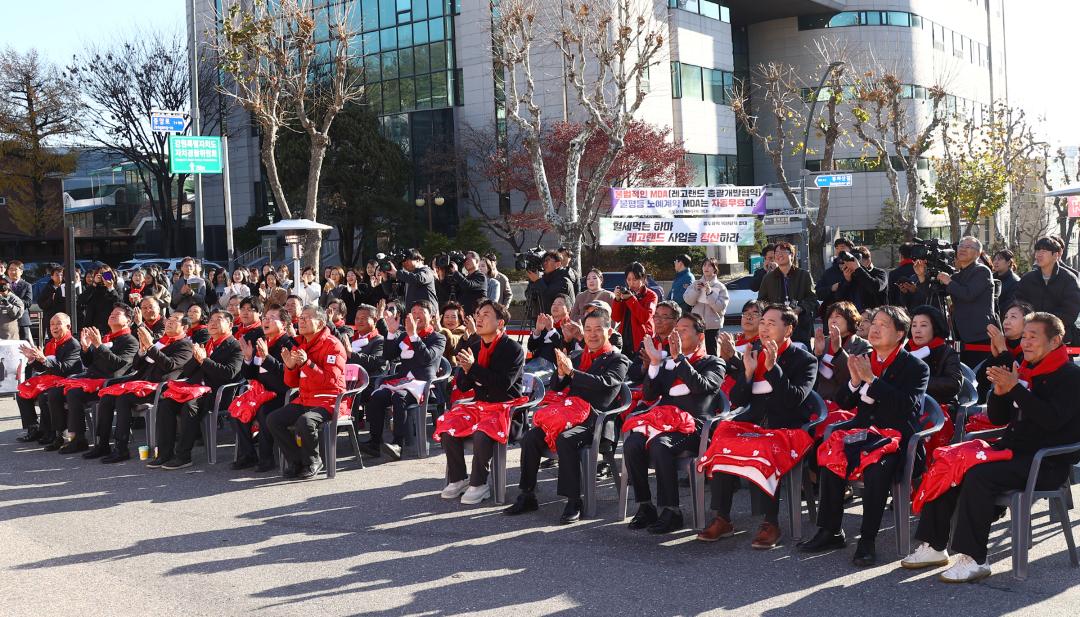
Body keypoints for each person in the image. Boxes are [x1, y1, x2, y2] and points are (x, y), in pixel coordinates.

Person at [903, 312, 1080, 582]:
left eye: (1034, 337)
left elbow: (1052, 420)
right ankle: (934, 546)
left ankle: (974, 558)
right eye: (1025, 337)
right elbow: (999, 418)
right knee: (950, 460)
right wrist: (1000, 392)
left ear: (1056, 341)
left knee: (978, 475)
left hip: (1045, 461)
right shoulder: (1024, 368)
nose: (1027, 343)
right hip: (1012, 451)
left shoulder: (1070, 376)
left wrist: (1015, 388)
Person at [799, 305, 929, 567]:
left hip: (897, 439)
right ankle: (830, 530)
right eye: (874, 323)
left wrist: (873, 380)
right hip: (864, 433)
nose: (875, 329)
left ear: (900, 333)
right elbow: (844, 401)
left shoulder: (915, 366)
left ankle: (867, 540)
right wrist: (856, 381)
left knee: (876, 469)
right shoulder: (865, 356)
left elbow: (906, 407)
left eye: (884, 325)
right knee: (830, 454)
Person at [697, 304, 818, 548]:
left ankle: (770, 522)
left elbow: (794, 399)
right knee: (721, 438)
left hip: (787, 428)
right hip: (755, 423)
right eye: (762, 323)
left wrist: (773, 369)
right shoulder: (755, 353)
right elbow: (739, 399)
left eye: (771, 324)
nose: (764, 328)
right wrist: (749, 372)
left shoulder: (804, 359)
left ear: (789, 329)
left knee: (764, 447)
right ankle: (722, 517)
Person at [505, 309, 630, 522]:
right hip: (567, 415)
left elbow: (605, 384)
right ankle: (527, 494)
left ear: (609, 331)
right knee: (531, 437)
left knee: (566, 439)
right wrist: (562, 373)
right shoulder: (578, 356)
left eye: (598, 329)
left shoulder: (618, 359)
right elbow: (556, 385)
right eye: (588, 329)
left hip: (596, 420)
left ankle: (574, 500)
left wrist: (572, 373)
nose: (592, 334)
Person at [623, 313, 727, 533]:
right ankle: (645, 506)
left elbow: (702, 387)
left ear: (700, 337)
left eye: (684, 329)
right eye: (676, 329)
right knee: (632, 443)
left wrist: (680, 358)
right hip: (665, 423)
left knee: (661, 445)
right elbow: (650, 394)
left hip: (696, 427)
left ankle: (672, 510)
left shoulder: (713, 362)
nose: (677, 333)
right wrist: (654, 363)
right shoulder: (669, 362)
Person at [438, 300, 525, 505]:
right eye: (478, 314)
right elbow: (462, 383)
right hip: (480, 406)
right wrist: (468, 370)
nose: (479, 318)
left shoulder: (513, 349)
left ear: (500, 323)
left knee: (481, 432)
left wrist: (474, 369)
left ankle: (479, 484)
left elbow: (502, 384)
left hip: (506, 410)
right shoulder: (474, 346)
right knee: (448, 425)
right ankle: (459, 478)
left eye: (486, 314)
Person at [85, 312, 194, 462]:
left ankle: (121, 448)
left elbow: (169, 365)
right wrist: (142, 351)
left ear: (185, 327)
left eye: (175, 320)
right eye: (168, 319)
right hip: (140, 382)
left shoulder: (185, 345)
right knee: (107, 395)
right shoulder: (158, 341)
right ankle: (102, 443)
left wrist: (150, 346)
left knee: (123, 399)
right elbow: (136, 365)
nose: (169, 322)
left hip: (158, 387)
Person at [148, 309, 243, 470]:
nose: (212, 323)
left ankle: (183, 456)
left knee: (189, 405)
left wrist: (204, 360)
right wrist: (197, 357)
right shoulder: (207, 343)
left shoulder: (235, 346)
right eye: (211, 320)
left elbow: (229, 373)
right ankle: (165, 453)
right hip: (195, 389)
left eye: (218, 320)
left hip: (217, 393)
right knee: (166, 403)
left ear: (231, 325)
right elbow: (188, 371)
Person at [263, 305, 347, 478]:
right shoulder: (300, 344)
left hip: (329, 400)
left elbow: (330, 381)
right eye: (301, 317)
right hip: (306, 399)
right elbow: (290, 382)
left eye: (307, 317)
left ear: (321, 322)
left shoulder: (333, 345)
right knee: (273, 419)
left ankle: (313, 461)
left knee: (305, 421)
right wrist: (290, 367)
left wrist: (307, 364)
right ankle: (296, 461)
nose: (301, 320)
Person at [44, 303, 139, 453]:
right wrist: (87, 349)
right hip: (91, 378)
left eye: (118, 314)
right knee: (55, 391)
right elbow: (90, 363)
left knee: (73, 393)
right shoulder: (106, 336)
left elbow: (118, 366)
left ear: (128, 320)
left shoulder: (130, 341)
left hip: (109, 382)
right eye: (111, 313)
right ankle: (60, 435)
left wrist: (99, 345)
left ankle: (78, 438)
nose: (112, 315)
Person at [360, 299, 446, 460]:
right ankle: (374, 442)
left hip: (423, 384)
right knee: (376, 396)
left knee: (399, 397)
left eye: (421, 312)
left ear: (432, 316)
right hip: (403, 381)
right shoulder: (404, 335)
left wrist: (414, 336)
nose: (416, 316)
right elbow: (388, 356)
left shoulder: (438, 338)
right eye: (413, 312)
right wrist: (391, 333)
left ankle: (398, 444)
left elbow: (427, 358)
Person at [233, 307, 295, 472]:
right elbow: (250, 374)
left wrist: (267, 357)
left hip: (282, 394)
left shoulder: (288, 344)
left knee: (263, 411)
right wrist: (247, 358)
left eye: (272, 317)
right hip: (261, 392)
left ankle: (267, 458)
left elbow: (287, 373)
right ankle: (248, 455)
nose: (266, 321)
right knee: (239, 409)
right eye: (265, 317)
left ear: (283, 324)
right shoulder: (262, 342)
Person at [15, 313, 82, 444]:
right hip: (49, 380)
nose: (54, 327)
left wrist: (44, 359)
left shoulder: (73, 344)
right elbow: (42, 368)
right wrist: (32, 359)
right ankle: (33, 428)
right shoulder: (50, 343)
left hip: (66, 380)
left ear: (68, 326)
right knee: (22, 393)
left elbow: (65, 368)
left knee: (43, 396)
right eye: (52, 324)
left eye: (58, 324)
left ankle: (51, 432)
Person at [938, 236, 997, 368]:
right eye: (961, 246)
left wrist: (949, 282)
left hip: (980, 335)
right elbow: (938, 292)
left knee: (979, 374)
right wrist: (922, 276)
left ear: (977, 253)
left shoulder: (982, 271)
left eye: (968, 247)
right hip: (961, 335)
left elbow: (968, 294)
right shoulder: (957, 275)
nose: (962, 249)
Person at [1015, 236, 1080, 345]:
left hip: (1058, 337)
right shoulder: (1027, 279)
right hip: (1030, 335)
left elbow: (1070, 312)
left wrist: (1044, 324)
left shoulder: (1069, 279)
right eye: (1037, 251)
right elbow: (1019, 304)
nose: (1039, 254)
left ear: (1055, 255)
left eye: (1044, 251)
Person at [757, 241, 818, 346]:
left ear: (792, 255)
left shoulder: (804, 275)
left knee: (801, 357)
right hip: (776, 326)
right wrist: (773, 310)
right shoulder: (768, 277)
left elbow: (812, 299)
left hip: (800, 325)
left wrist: (799, 309)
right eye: (776, 252)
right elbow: (761, 300)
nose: (779, 254)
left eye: (783, 251)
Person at [812, 301, 872, 403]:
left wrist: (838, 351)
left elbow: (854, 377)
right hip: (820, 401)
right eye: (830, 317)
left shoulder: (864, 346)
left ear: (850, 319)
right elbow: (812, 377)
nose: (833, 320)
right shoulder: (824, 342)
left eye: (838, 316)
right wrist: (816, 354)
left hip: (846, 402)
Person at [907, 305, 963, 408]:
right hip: (908, 404)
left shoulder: (947, 352)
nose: (917, 330)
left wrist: (919, 381)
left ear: (935, 328)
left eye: (923, 325)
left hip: (940, 407)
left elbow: (954, 384)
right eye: (914, 325)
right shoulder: (905, 350)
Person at [975, 301, 1033, 401]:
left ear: (1027, 323)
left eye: (1013, 317)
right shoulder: (1002, 344)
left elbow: (1020, 379)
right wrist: (995, 357)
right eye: (1006, 317)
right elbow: (980, 379)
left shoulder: (1031, 348)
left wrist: (1002, 349)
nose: (1006, 322)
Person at [682, 257, 729, 356]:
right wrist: (696, 290)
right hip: (696, 325)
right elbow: (688, 301)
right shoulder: (695, 283)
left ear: (715, 269)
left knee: (712, 353)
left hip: (712, 326)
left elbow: (720, 307)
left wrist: (710, 293)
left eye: (709, 265)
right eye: (704, 265)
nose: (706, 267)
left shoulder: (720, 287)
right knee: (696, 352)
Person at [627, 301, 680, 384]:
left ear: (676, 321)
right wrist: (644, 367)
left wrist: (654, 364)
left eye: (664, 317)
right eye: (656, 316)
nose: (658, 321)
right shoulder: (647, 343)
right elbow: (632, 373)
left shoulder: (679, 345)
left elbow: (679, 373)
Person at [611, 262, 657, 356]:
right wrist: (617, 299)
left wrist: (631, 299)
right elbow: (616, 318)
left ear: (643, 279)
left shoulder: (651, 295)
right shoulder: (626, 293)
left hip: (642, 340)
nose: (631, 283)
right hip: (624, 337)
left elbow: (645, 317)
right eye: (628, 279)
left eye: (635, 279)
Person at [833, 247, 887, 311]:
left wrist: (858, 269)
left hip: (876, 317)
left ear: (868, 260)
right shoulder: (849, 275)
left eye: (857, 260)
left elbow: (875, 287)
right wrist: (847, 281)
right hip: (854, 317)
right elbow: (838, 299)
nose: (853, 263)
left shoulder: (880, 273)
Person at [526, 294, 572, 371]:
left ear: (568, 309)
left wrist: (551, 330)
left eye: (560, 304)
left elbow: (565, 347)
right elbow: (531, 347)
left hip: (556, 368)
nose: (555, 306)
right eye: (553, 304)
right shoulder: (546, 322)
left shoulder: (571, 327)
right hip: (536, 364)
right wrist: (538, 330)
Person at [525, 251, 575, 315]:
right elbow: (529, 296)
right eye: (543, 261)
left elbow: (549, 299)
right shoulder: (543, 279)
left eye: (547, 260)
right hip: (542, 318)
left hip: (560, 320)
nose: (544, 263)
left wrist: (537, 281)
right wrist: (532, 281)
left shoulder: (563, 280)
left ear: (558, 264)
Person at [816, 238, 856, 317]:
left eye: (842, 247)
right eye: (836, 248)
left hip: (853, 314)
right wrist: (831, 288)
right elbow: (818, 293)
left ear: (851, 249)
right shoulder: (828, 272)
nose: (839, 251)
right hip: (832, 316)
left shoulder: (858, 270)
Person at [347, 304, 387, 379]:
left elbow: (375, 362)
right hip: (346, 380)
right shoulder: (349, 339)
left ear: (375, 320)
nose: (359, 321)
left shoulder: (380, 340)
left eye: (363, 318)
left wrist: (351, 355)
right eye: (357, 318)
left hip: (368, 383)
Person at [84, 267, 122, 333]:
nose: (104, 277)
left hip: (109, 326)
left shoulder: (116, 288)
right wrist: (94, 284)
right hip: (93, 326)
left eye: (106, 274)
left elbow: (119, 304)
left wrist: (110, 288)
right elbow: (82, 301)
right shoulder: (93, 288)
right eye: (101, 274)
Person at [6, 261, 34, 342]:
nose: (12, 272)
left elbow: (28, 302)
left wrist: (11, 300)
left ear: (21, 272)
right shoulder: (3, 285)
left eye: (15, 269)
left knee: (23, 344)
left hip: (22, 320)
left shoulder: (27, 285)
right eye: (10, 269)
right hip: (5, 320)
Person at [438, 300, 470, 366]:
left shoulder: (463, 332)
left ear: (459, 320)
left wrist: (440, 330)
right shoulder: (436, 331)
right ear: (442, 319)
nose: (450, 320)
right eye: (447, 317)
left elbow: (453, 341)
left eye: (454, 317)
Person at [991, 249, 1020, 319]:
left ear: (1008, 262)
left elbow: (1010, 304)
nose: (996, 262)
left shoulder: (1015, 281)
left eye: (1000, 259)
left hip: (1004, 318)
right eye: (994, 259)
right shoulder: (991, 277)